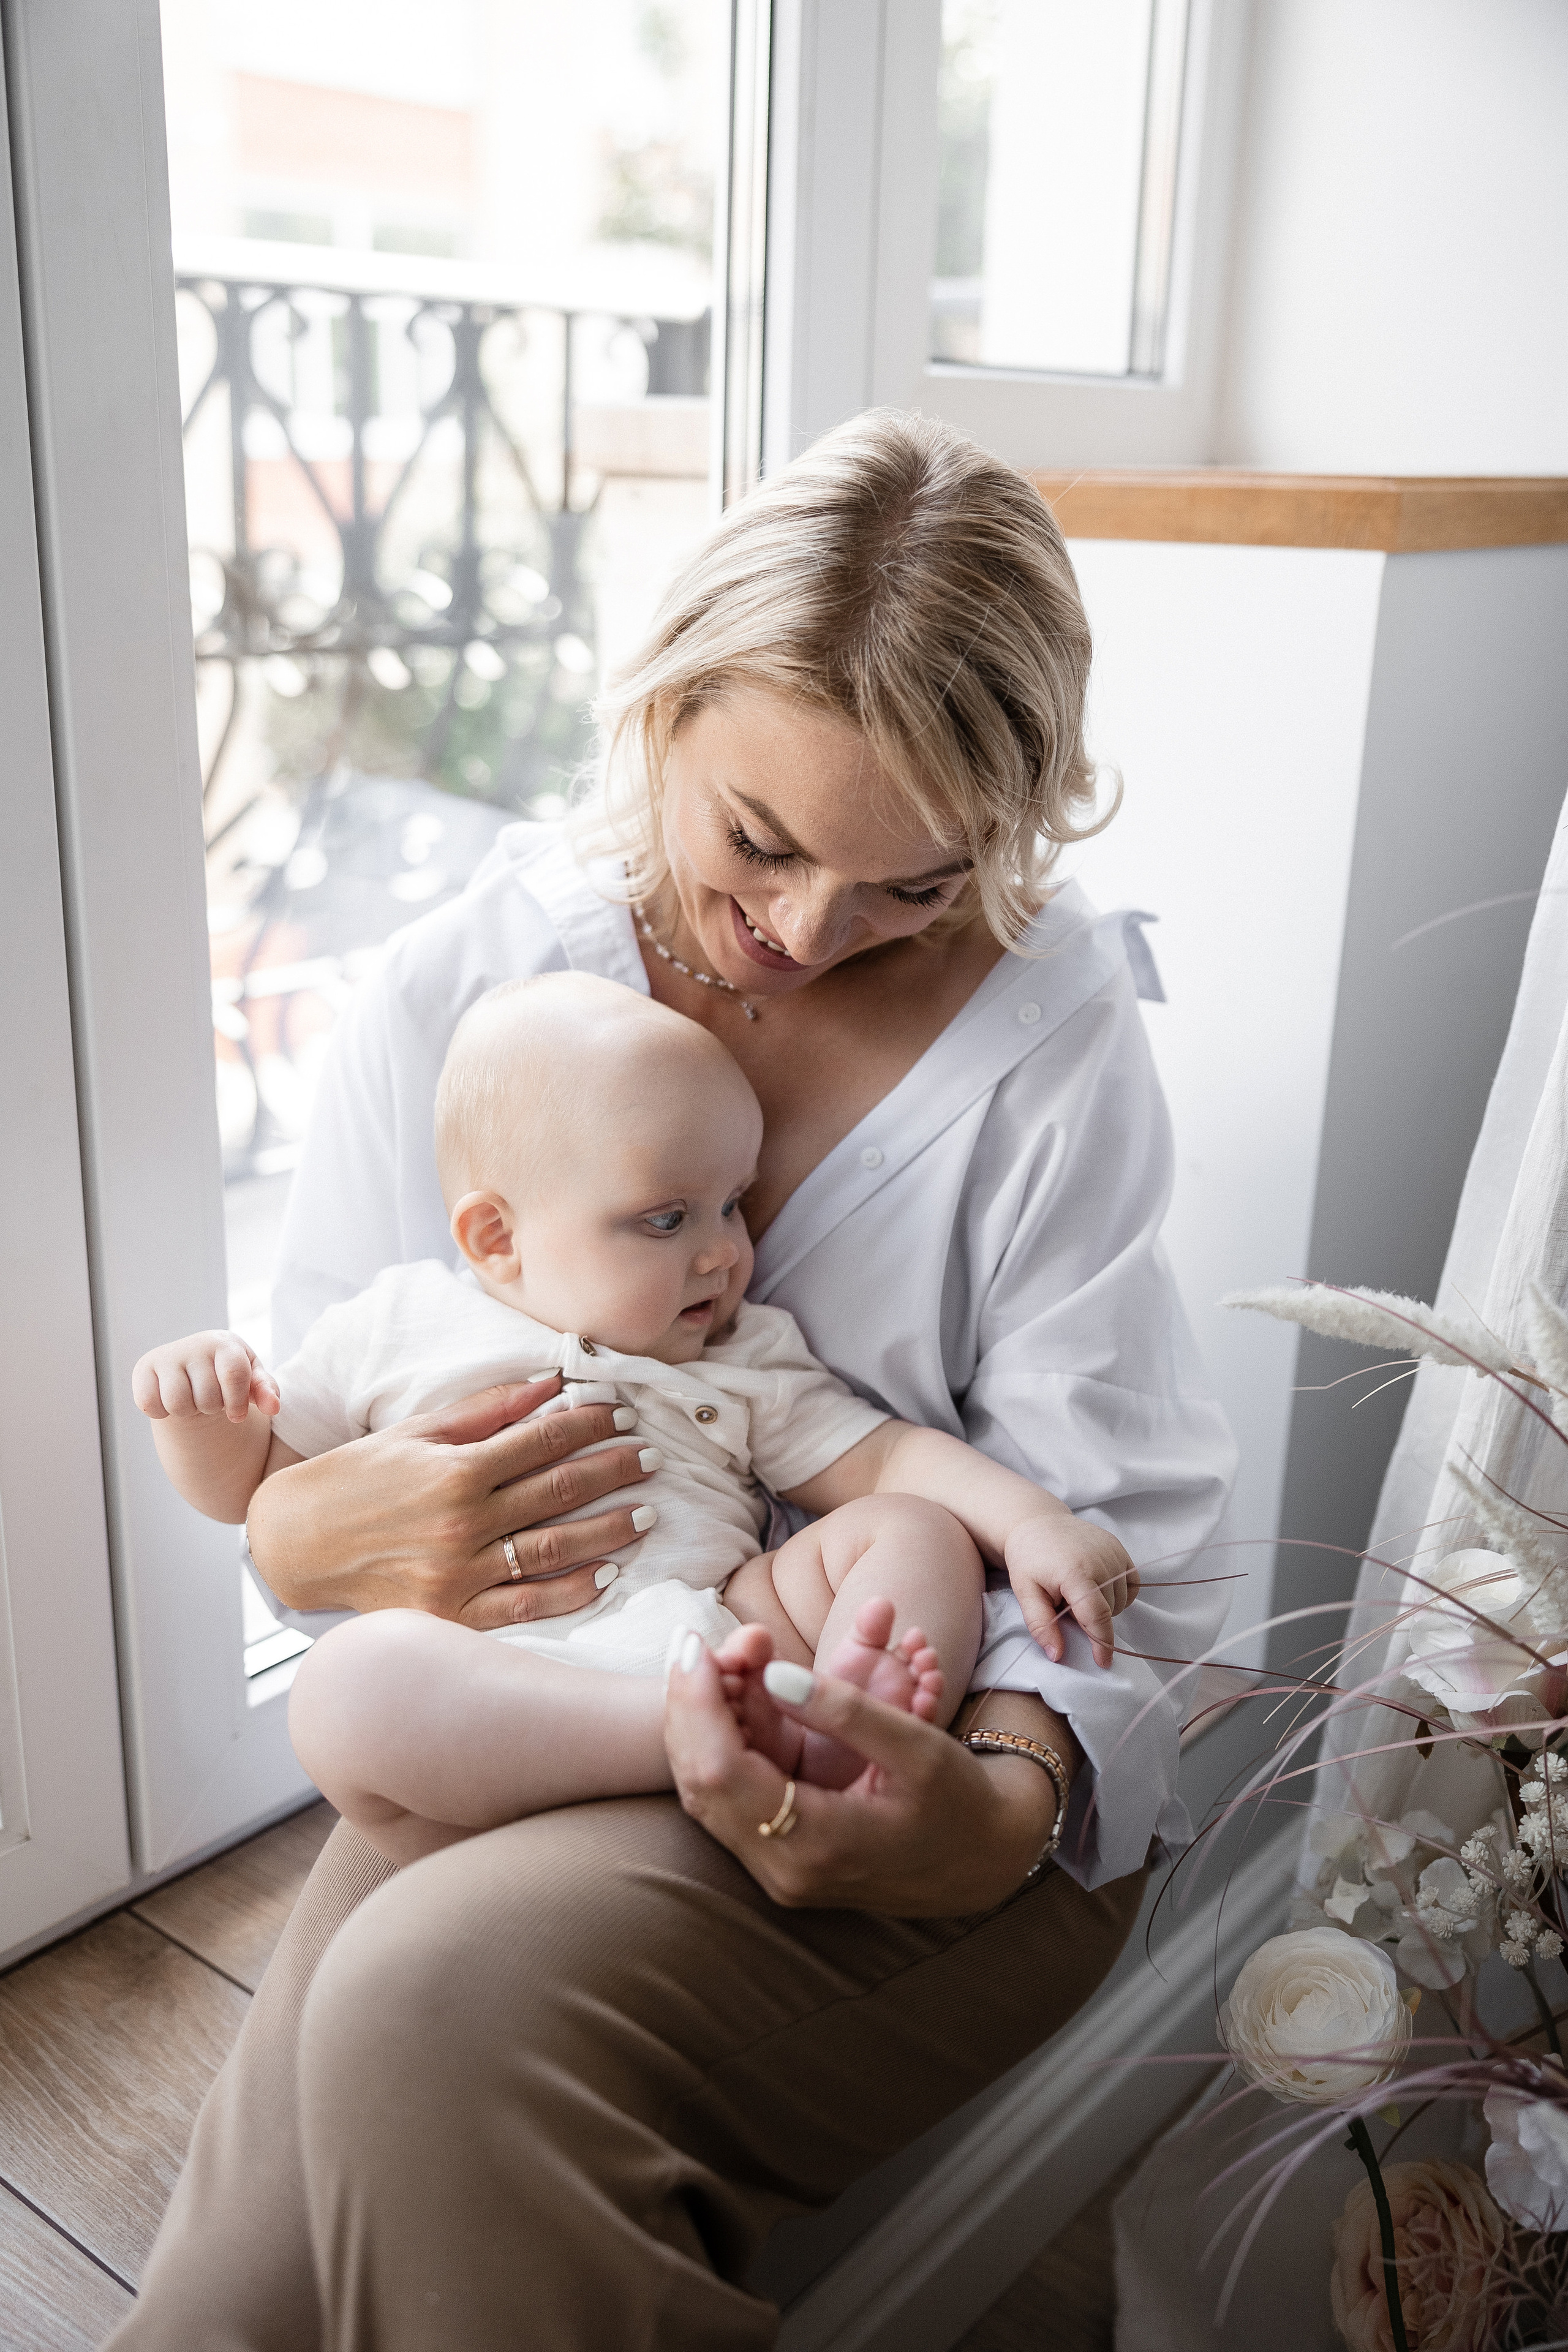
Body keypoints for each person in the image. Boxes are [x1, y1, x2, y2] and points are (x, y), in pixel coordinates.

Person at [112, 409, 1237, 2351]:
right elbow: (308, 1501)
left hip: (929, 1755)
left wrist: (985, 1803)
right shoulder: (468, 988)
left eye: (910, 884)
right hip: (564, 1705)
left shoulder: (1049, 1052)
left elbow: (1107, 1570)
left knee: (420, 2008)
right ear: (662, 708)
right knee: (227, 2305)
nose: (809, 934)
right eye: (761, 840)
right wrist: (306, 1513)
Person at [132, 973, 1140, 1861]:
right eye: (667, 1218)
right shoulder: (394, 1324)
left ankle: (844, 1721)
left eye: (733, 1205)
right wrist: (201, 1411)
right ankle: (700, 1736)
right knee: (350, 1685)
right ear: (496, 1237)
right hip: (502, 1694)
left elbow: (883, 1460)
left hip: (726, 1639)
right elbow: (256, 1491)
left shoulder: (740, 1352)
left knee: (916, 1529)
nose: (723, 1255)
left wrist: (1029, 1522)